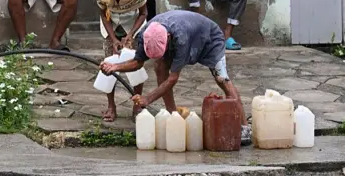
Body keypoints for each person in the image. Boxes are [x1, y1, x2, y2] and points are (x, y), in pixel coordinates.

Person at [99, 10, 251, 144]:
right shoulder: (146, 34)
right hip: (179, 37)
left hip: (209, 37)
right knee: (160, 67)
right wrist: (115, 67)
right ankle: (173, 116)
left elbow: (173, 79)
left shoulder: (180, 37)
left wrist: (148, 99)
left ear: (168, 38)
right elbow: (137, 62)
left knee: (221, 78)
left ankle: (245, 127)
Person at [94, 0, 148, 122]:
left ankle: (137, 104)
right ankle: (111, 106)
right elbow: (104, 15)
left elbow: (143, 13)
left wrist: (131, 35)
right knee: (109, 64)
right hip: (111, 22)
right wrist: (113, 39)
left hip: (133, 21)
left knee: (136, 63)